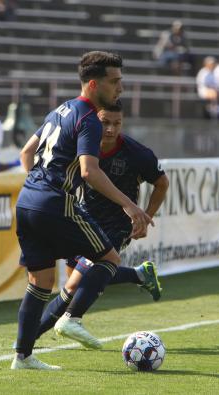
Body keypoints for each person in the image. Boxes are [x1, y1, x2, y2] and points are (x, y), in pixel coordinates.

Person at [12, 51, 153, 370]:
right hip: (52, 200)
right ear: (94, 84)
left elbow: (26, 151)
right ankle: (72, 318)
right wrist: (130, 206)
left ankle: (23, 356)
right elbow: (90, 171)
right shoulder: (88, 118)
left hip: (27, 199)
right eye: (114, 82)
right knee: (110, 258)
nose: (120, 89)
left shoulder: (59, 110)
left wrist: (36, 182)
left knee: (40, 281)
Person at [35, 101, 168, 340]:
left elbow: (162, 183)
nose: (110, 129)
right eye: (104, 122)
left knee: (76, 284)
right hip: (82, 221)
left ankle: (35, 337)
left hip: (117, 226)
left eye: (117, 123)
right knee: (78, 282)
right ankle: (139, 275)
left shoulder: (137, 153)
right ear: (94, 121)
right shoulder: (82, 146)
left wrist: (146, 216)